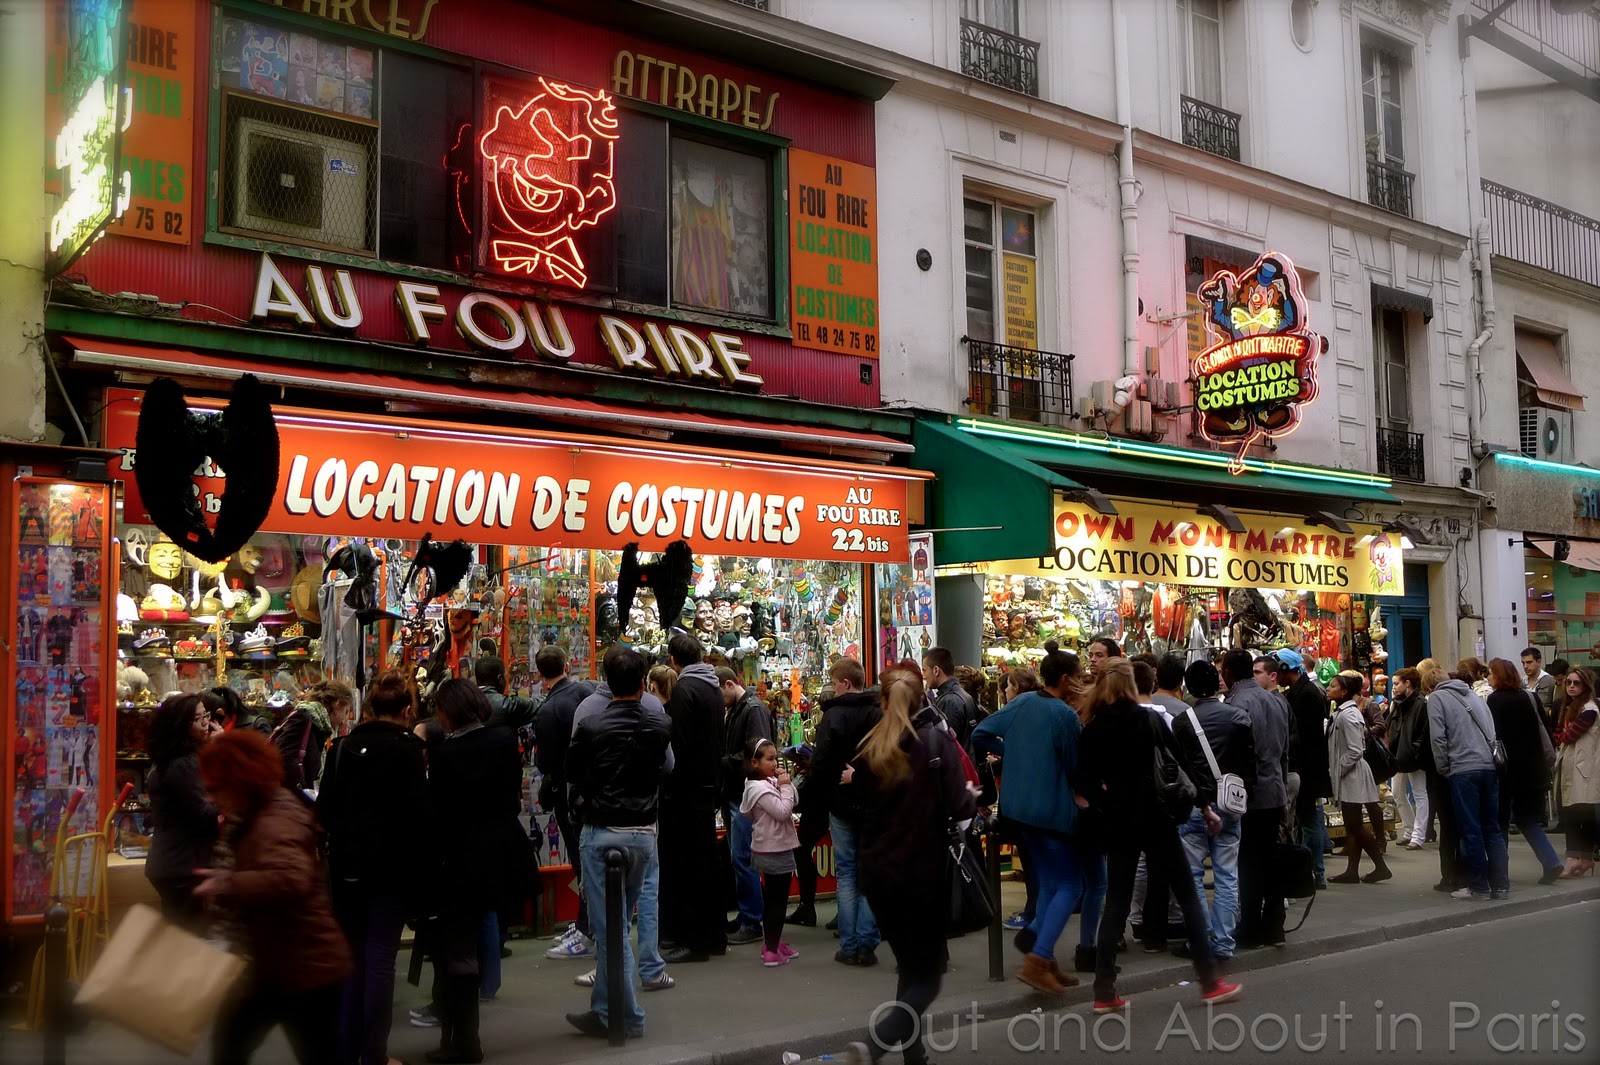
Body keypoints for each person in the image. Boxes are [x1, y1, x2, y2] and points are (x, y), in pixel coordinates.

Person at [1078, 659, 1240, 1013]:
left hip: (1119, 822)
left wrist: (1109, 802)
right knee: (1188, 896)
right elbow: (1179, 762)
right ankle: (1209, 980)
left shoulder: (1092, 728)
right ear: (1130, 685)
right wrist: (1205, 805)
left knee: (1116, 903)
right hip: (1157, 818)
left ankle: (1104, 990)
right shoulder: (1148, 720)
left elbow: (1084, 782)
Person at [832, 669, 976, 1065]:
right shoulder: (934, 743)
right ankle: (876, 1043)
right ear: (922, 701)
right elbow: (960, 805)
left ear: (882, 702)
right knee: (927, 977)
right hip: (920, 871)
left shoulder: (871, 747)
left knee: (909, 965)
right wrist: (968, 795)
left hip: (878, 871)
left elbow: (857, 795)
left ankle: (914, 1052)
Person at [195, 729, 351, 1065]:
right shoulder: (255, 813)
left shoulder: (275, 819)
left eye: (215, 788)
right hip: (270, 964)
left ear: (239, 781)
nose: (210, 798)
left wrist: (228, 884)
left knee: (316, 1053)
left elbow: (291, 878)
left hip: (302, 968)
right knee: (231, 1048)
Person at [317, 670, 430, 1065]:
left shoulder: (342, 748)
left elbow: (324, 811)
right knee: (381, 957)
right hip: (393, 868)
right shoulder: (408, 751)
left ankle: (347, 1050)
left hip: (348, 866)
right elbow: (417, 817)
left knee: (352, 957)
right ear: (405, 710)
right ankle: (375, 1054)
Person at [563, 647, 673, 1039]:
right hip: (643, 830)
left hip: (603, 830)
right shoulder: (659, 724)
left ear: (606, 682)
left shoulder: (591, 725)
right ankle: (606, 1009)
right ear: (643, 682)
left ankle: (625, 1016)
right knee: (620, 921)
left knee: (610, 932)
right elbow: (666, 768)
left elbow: (572, 775)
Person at [422, 680, 525, 1062]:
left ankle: (464, 1040)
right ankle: (462, 1036)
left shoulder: (446, 755)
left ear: (448, 711)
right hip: (498, 856)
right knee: (478, 935)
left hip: (459, 861)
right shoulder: (503, 741)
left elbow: (439, 815)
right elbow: (512, 799)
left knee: (458, 951)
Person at [972, 647, 1084, 994]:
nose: (1080, 682)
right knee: (1070, 885)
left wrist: (1014, 751)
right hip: (1050, 809)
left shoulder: (1022, 704)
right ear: (1065, 679)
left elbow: (981, 734)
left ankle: (1045, 957)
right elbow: (1074, 765)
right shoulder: (1063, 714)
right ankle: (1037, 959)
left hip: (1019, 810)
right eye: (1078, 676)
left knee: (1049, 883)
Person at [804, 657, 883, 966]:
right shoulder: (877, 713)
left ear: (846, 684)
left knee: (847, 873)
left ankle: (849, 945)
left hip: (840, 802)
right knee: (868, 872)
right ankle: (866, 942)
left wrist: (815, 794)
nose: (832, 689)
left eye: (834, 683)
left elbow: (821, 764)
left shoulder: (834, 716)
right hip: (870, 801)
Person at [1176, 660, 1255, 959]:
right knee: (1227, 874)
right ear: (1218, 681)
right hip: (1229, 803)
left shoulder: (1182, 722)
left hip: (1196, 805)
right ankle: (1223, 941)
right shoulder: (1238, 717)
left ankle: (1201, 937)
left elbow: (1181, 768)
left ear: (1190, 687)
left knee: (1193, 875)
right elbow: (1250, 764)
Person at [657, 633, 727, 963]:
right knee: (705, 862)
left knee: (688, 865)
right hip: (707, 785)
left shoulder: (686, 689)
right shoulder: (712, 685)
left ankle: (694, 940)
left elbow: (680, 744)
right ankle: (713, 936)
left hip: (688, 790)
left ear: (674, 661)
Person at [1420, 658, 1510, 900]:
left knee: (1470, 830)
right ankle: (1501, 885)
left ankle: (1479, 886)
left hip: (1462, 768)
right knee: (1492, 828)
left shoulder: (1437, 698)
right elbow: (1491, 732)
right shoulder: (1474, 696)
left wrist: (1444, 768)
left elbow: (1438, 738)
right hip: (1488, 767)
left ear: (1428, 687)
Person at [1220, 647, 1289, 948]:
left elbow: (1243, 753)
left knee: (1249, 862)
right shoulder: (1275, 700)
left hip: (1252, 793)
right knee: (1270, 859)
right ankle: (1273, 926)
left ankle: (1250, 926)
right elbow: (1285, 751)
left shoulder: (1238, 703)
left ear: (1229, 673)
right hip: (1273, 788)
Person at [533, 645, 597, 960]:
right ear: (568, 665)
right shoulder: (588, 692)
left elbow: (546, 763)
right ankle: (587, 924)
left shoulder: (547, 710)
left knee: (581, 859)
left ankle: (588, 929)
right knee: (586, 859)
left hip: (570, 793)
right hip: (594, 787)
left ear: (539, 673)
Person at [144, 693, 220, 928]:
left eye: (206, 716)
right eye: (199, 719)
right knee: (188, 939)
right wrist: (228, 798)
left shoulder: (174, 759)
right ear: (181, 726)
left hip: (174, 864)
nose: (206, 723)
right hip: (182, 867)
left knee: (180, 938)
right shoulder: (181, 764)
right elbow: (204, 815)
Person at [1485, 658, 1564, 884]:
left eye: (1491, 674)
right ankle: (1551, 861)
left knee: (1499, 821)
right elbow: (1543, 729)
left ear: (1499, 676)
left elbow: (1494, 735)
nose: (1489, 678)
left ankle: (1499, 873)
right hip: (1532, 767)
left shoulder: (1495, 700)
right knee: (1526, 818)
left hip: (1507, 769)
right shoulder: (1528, 696)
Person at [718, 666, 773, 945]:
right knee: (739, 858)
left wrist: (724, 762)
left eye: (719, 693)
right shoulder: (737, 710)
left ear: (729, 684)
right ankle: (746, 914)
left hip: (746, 795)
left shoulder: (752, 710)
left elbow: (759, 754)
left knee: (744, 858)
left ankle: (752, 920)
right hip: (736, 794)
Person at [740, 738, 801, 967]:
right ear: (755, 762)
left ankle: (772, 942)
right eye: (770, 758)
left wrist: (786, 784)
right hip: (773, 849)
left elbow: (794, 800)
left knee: (775, 899)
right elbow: (784, 811)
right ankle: (772, 950)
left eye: (776, 757)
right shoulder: (759, 789)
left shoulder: (768, 782)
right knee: (777, 901)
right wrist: (785, 787)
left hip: (773, 847)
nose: (775, 763)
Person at [1327, 671, 1391, 885]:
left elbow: (1355, 750)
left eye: (1333, 686)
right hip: (1350, 772)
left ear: (1344, 691)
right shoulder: (1343, 713)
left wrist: (1338, 769)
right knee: (1352, 824)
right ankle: (1352, 871)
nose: (1329, 688)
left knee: (1354, 825)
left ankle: (1381, 867)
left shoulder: (1349, 715)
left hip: (1352, 773)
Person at [1273, 650, 1331, 887]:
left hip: (1308, 768)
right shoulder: (1298, 693)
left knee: (1309, 820)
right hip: (1306, 766)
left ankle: (1317, 873)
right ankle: (1311, 870)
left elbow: (1305, 737)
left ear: (1288, 670)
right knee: (1305, 820)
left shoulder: (1307, 694)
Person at [1553, 666, 1599, 879]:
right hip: (1570, 766)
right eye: (1568, 682)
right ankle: (1581, 857)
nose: (1571, 686)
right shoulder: (1570, 707)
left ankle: (1579, 858)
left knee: (1579, 813)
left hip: (1582, 769)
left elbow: (1568, 736)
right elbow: (1557, 735)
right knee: (1572, 812)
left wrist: (1562, 731)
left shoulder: (1589, 709)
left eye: (1576, 683)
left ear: (1586, 686)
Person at [272, 678, 352, 793]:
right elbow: (284, 756)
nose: (344, 719)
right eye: (345, 711)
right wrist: (302, 791)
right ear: (337, 703)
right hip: (290, 800)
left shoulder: (317, 724)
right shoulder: (303, 717)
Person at [1387, 667, 1431, 851]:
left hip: (1412, 755)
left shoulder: (1421, 703)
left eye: (1397, 683)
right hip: (1399, 753)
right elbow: (1392, 727)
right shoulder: (1397, 704)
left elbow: (1422, 731)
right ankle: (1410, 829)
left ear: (1408, 683)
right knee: (1397, 792)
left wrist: (1415, 750)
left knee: (1419, 793)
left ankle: (1418, 835)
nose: (1394, 687)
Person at [922, 647, 978, 748]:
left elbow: (944, 745)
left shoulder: (949, 701)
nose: (923, 676)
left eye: (924, 670)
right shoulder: (963, 695)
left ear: (936, 670)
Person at [475, 655, 540, 734]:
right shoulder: (505, 705)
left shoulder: (465, 701)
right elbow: (537, 705)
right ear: (500, 679)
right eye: (505, 675)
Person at [202, 686, 273, 734]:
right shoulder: (207, 733)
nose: (203, 722)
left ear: (219, 713)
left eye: (205, 716)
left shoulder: (258, 725)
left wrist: (223, 742)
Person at [1523, 647, 1557, 714]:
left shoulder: (1551, 681)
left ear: (1538, 662)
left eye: (1529, 662)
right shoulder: (1521, 683)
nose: (1525, 666)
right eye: (1523, 663)